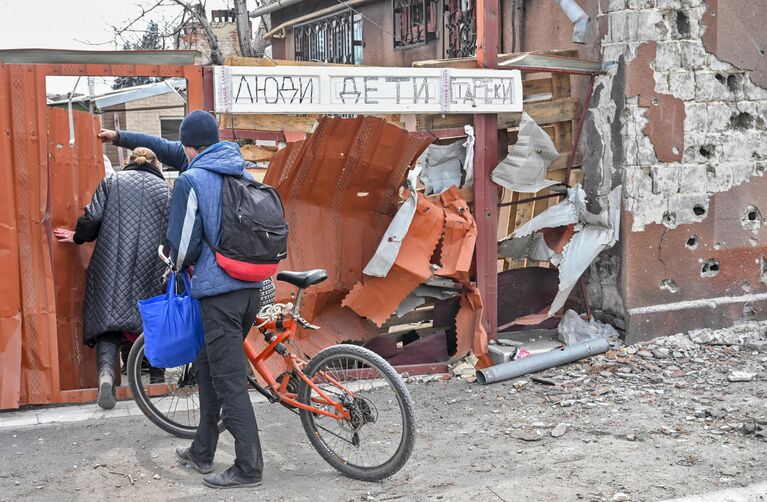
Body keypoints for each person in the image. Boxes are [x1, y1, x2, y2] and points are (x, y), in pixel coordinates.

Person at [99, 111, 266, 489]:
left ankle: (249, 467)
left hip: (219, 295)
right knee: (208, 370)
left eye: (182, 147)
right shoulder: (239, 170)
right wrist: (121, 136)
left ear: (189, 147)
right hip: (250, 288)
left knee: (228, 381)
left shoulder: (192, 180)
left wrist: (170, 260)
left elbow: (183, 248)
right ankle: (202, 451)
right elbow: (166, 148)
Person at [54, 148, 170, 410]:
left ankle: (106, 376)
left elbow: (93, 217)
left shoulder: (112, 182)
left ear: (128, 162)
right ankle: (156, 380)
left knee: (109, 323)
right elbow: (175, 231)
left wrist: (78, 237)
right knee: (152, 320)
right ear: (157, 165)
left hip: (110, 262)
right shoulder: (167, 191)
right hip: (152, 264)